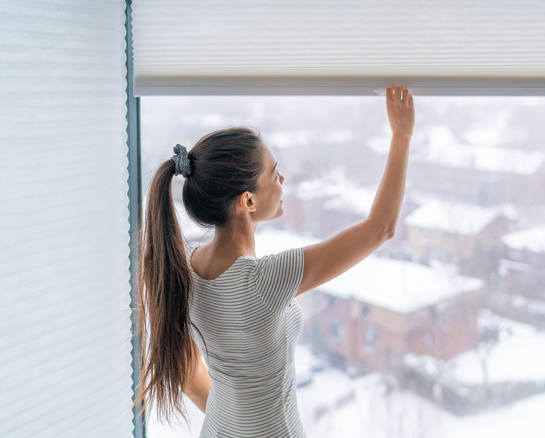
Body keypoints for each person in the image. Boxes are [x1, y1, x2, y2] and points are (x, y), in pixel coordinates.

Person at [134, 85, 414, 437]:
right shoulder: (265, 280)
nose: (283, 181)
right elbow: (381, 228)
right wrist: (402, 135)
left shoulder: (184, 267)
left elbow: (190, 378)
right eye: (273, 173)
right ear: (248, 202)